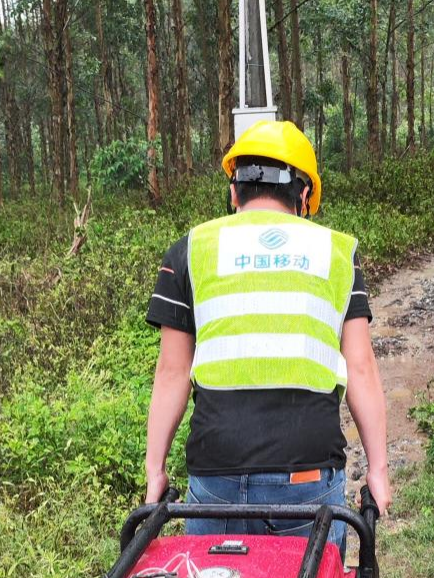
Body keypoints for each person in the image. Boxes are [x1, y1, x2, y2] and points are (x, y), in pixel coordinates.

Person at [143, 119, 390, 550]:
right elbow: (361, 368)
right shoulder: (335, 253)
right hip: (306, 478)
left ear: (234, 191)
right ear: (305, 195)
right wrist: (378, 472)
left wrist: (155, 473)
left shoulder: (190, 250)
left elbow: (171, 372)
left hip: (215, 476)